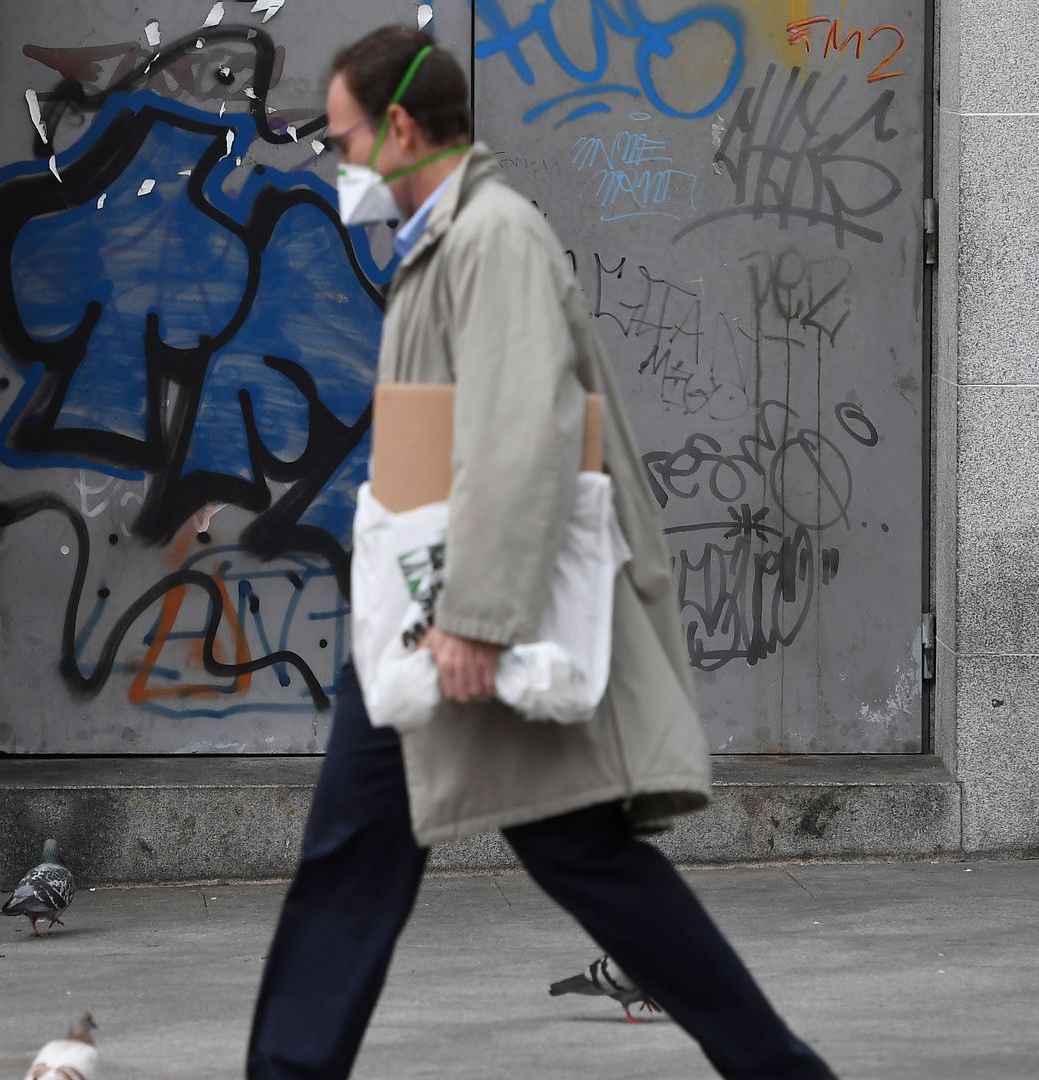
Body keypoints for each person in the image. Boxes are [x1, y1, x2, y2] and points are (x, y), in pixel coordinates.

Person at [246, 27, 835, 1079]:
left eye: (342, 141)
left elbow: (524, 429)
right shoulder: (441, 238)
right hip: (429, 609)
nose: (338, 166)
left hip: (468, 610)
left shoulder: (492, 237)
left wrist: (478, 613)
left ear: (404, 128)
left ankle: (780, 1068)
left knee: (578, 857)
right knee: (360, 853)